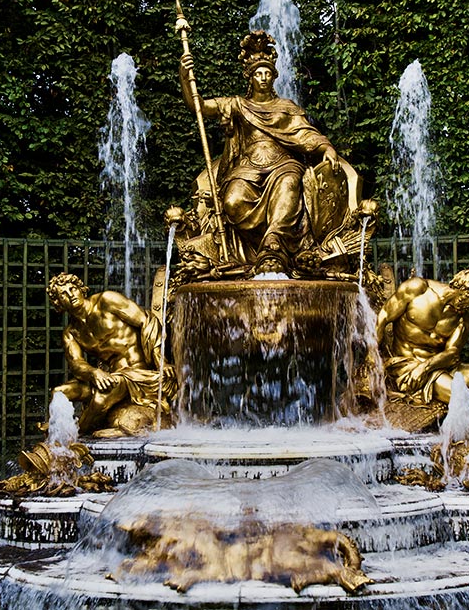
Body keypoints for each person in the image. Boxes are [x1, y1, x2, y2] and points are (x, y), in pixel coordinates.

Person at [179, 30, 342, 274]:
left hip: (283, 163)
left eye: (268, 73)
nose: (263, 77)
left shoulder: (286, 107)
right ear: (250, 78)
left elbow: (305, 134)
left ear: (274, 77)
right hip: (248, 167)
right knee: (232, 201)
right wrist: (184, 75)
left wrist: (326, 148)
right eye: (258, 73)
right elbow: (198, 107)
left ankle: (273, 243)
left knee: (288, 184)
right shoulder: (237, 105)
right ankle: (261, 248)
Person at [46, 273, 175, 436]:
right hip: (112, 377)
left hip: (139, 372)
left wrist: (161, 361)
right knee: (59, 392)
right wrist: (94, 372)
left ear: (81, 289)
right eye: (63, 294)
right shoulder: (71, 333)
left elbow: (147, 321)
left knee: (101, 398)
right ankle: (55, 433)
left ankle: (71, 440)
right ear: (58, 303)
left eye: (72, 289)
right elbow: (76, 364)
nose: (70, 295)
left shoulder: (106, 300)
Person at [375, 270, 469, 405]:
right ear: (463, 290)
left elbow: (452, 352)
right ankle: (458, 398)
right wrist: (371, 356)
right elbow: (383, 317)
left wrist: (425, 367)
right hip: (408, 365)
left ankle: (458, 398)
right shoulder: (418, 289)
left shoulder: (466, 314)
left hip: (438, 365)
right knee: (460, 396)